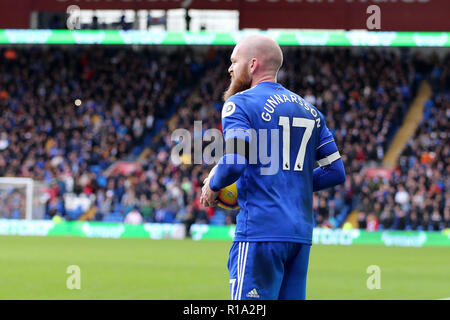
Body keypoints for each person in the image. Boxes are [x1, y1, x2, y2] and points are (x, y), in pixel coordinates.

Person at [200, 35, 346, 300]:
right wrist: (288, 180)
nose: (229, 68)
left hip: (260, 232)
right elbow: (336, 172)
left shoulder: (240, 103)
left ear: (253, 64)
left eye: (234, 61)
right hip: (300, 236)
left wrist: (213, 184)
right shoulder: (312, 112)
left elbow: (235, 161)